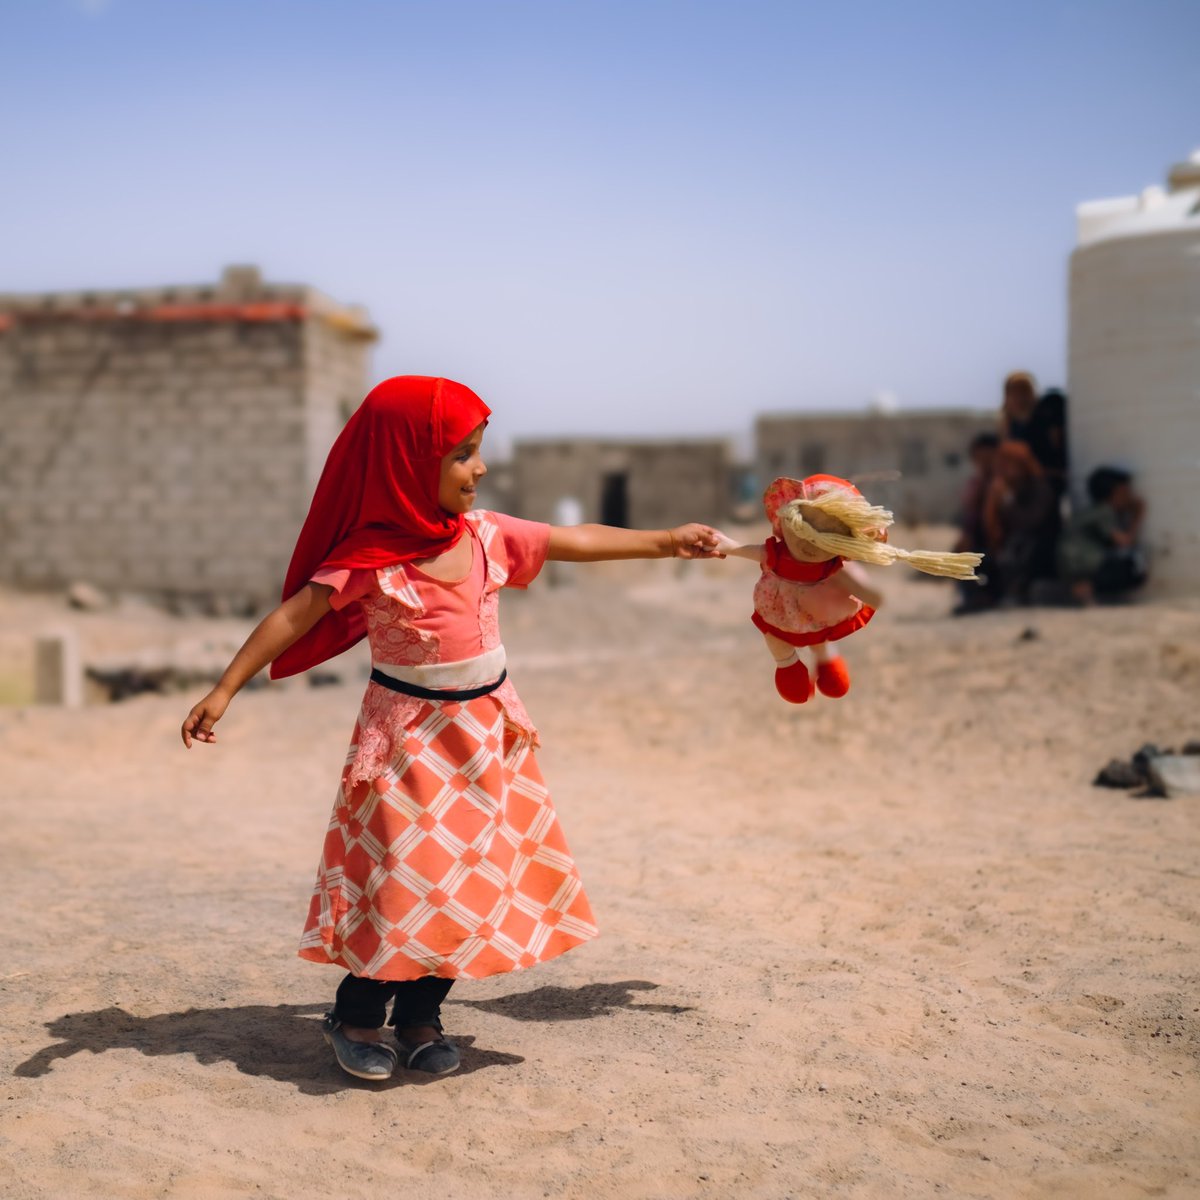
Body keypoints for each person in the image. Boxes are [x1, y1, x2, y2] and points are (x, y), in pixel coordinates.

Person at [180, 376, 721, 1082]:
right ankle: (355, 1016)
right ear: (409, 465)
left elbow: (573, 539)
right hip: (408, 748)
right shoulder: (372, 557)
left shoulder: (486, 535)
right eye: (463, 455)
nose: (482, 468)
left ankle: (421, 1017)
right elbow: (293, 616)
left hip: (485, 741)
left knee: (473, 883)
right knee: (408, 882)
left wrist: (666, 541)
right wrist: (225, 688)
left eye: (478, 452)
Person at [1058, 465, 1147, 604]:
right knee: (1134, 569)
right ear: (1115, 493)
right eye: (1126, 491)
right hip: (1082, 561)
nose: (1130, 495)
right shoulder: (1105, 511)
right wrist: (1138, 515)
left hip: (1068, 562)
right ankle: (1084, 589)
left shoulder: (1091, 511)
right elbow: (1124, 542)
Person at [982, 440, 1057, 605]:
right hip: (1012, 543)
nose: (1005, 468)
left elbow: (1031, 522)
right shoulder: (1002, 487)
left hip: (1040, 546)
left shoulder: (1040, 488)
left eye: (1010, 463)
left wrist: (1007, 501)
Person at [952, 431, 1001, 614]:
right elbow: (971, 517)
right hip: (980, 541)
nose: (985, 463)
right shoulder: (976, 484)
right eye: (980, 458)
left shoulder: (1004, 484)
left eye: (990, 457)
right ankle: (974, 598)